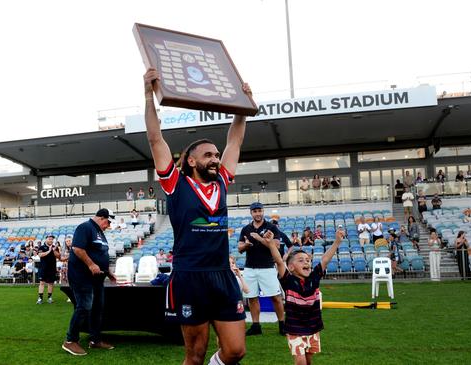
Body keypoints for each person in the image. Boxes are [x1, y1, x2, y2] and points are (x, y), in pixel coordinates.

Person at [143, 67, 250, 365]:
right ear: (191, 161)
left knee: (235, 351)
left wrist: (241, 110)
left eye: (216, 155)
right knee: (195, 355)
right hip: (190, 276)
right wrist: (148, 95)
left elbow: (235, 142)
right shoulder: (176, 183)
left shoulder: (222, 182)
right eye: (208, 156)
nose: (215, 159)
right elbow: (154, 138)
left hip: (222, 274)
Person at [260, 229, 345, 365]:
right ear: (291, 267)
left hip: (313, 326)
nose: (306, 263)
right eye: (301, 260)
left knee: (308, 360)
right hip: (294, 328)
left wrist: (337, 242)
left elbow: (325, 259)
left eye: (307, 260)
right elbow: (279, 262)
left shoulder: (314, 278)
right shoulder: (288, 280)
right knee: (300, 361)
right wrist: (270, 244)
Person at [62, 209, 117, 356]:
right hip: (82, 276)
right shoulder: (85, 227)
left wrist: (108, 272)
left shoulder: (99, 232)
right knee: (84, 306)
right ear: (101, 217)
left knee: (97, 308)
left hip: (97, 278)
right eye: (108, 222)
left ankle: (95, 340)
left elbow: (101, 254)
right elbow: (78, 248)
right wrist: (91, 264)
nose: (108, 226)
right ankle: (70, 341)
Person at [238, 202, 285, 336]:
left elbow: (276, 246)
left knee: (276, 297)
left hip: (267, 267)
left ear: (263, 211)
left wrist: (260, 238)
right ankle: (256, 326)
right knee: (252, 298)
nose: (257, 213)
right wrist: (246, 245)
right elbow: (240, 248)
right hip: (250, 268)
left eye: (260, 211)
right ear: (251, 213)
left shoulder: (271, 227)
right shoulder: (246, 228)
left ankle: (282, 324)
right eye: (255, 211)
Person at [37, 234, 60, 304]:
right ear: (46, 239)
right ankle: (40, 298)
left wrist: (54, 251)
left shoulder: (55, 247)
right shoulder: (42, 247)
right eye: (49, 238)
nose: (51, 240)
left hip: (52, 268)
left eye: (52, 239)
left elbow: (59, 256)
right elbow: (40, 255)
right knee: (42, 283)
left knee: (51, 283)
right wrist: (49, 251)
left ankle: (49, 298)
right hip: (43, 268)